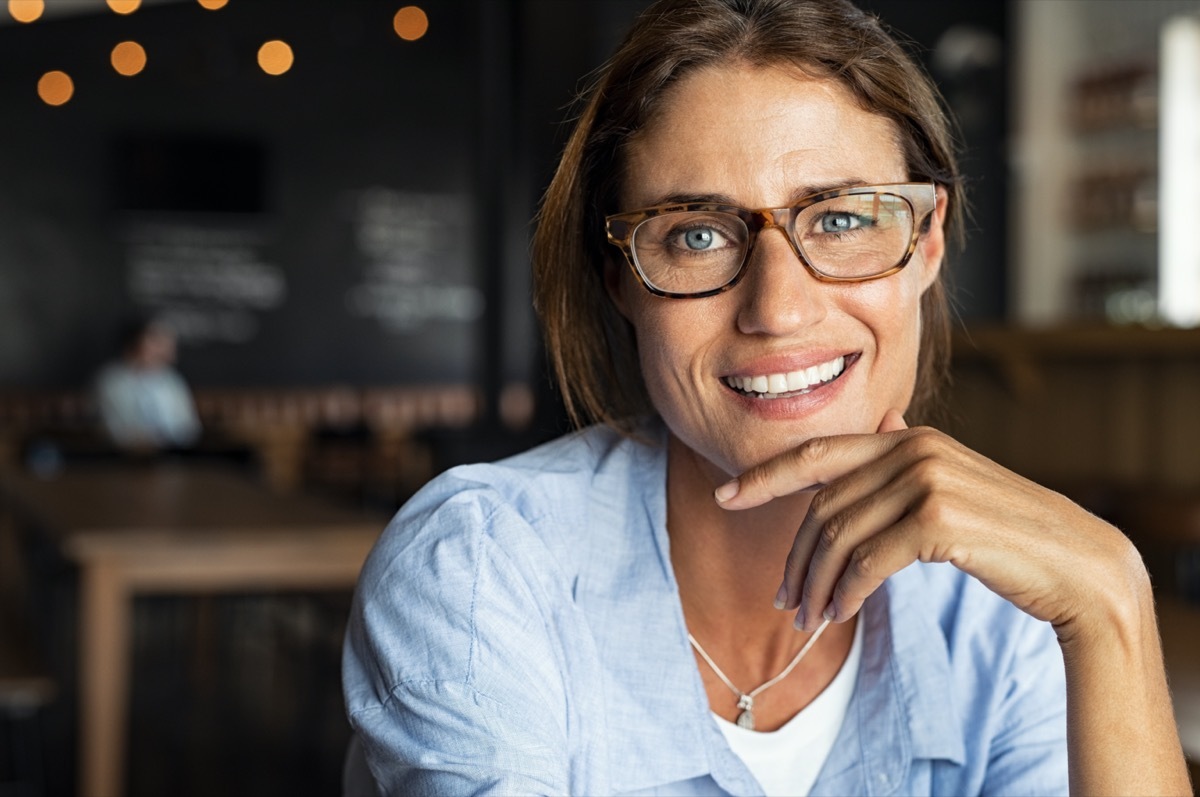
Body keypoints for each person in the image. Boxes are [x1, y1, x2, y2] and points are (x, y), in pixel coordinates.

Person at [343, 0, 1190, 794]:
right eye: (699, 236)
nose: (777, 309)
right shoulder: (486, 568)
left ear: (927, 243)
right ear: (621, 281)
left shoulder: (1003, 619)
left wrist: (1111, 599)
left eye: (844, 219)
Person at [94, 316, 201, 453]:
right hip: (122, 461)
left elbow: (190, 428)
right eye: (156, 342)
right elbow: (118, 433)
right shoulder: (111, 382)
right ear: (134, 343)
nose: (164, 350)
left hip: (176, 455)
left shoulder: (172, 381)